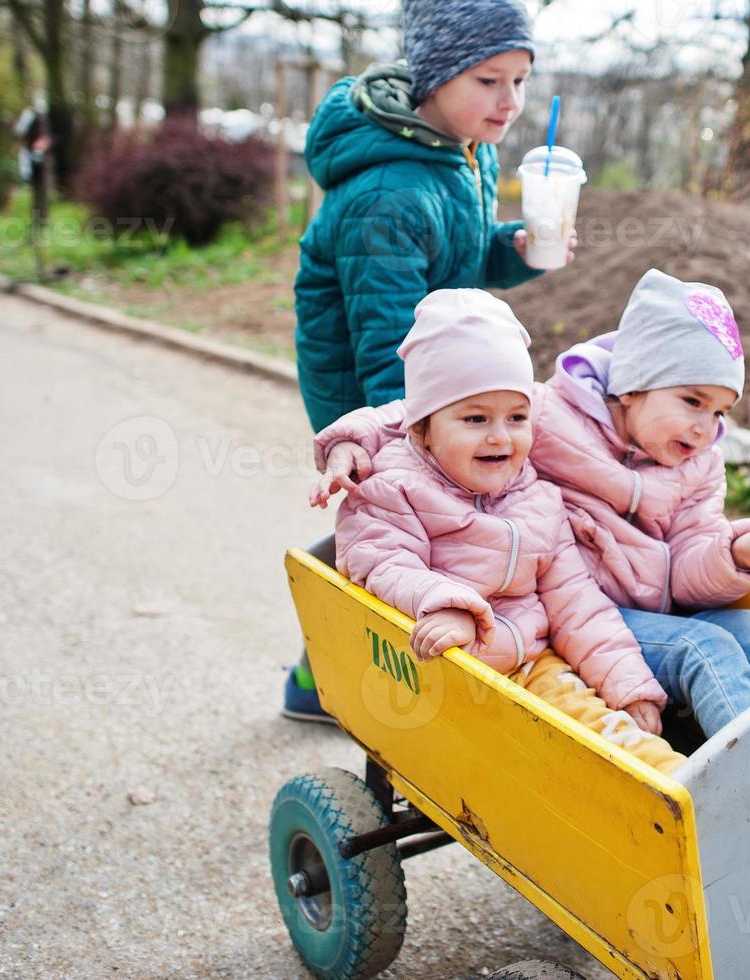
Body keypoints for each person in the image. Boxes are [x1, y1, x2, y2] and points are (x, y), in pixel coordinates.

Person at [314, 270, 750, 741]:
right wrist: (352, 441)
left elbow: (689, 561)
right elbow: (433, 409)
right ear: (632, 386)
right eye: (691, 401)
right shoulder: (546, 413)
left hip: (656, 612)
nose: (705, 426)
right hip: (581, 608)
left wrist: (733, 555)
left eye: (720, 411)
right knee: (705, 648)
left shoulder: (701, 465)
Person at [285, 0, 575, 720]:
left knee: (431, 526)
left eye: (520, 80)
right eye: (487, 80)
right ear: (435, 80)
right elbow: (385, 340)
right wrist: (392, 439)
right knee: (397, 524)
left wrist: (512, 249)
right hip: (376, 388)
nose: (509, 101)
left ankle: (347, 664)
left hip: (438, 378)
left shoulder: (459, 154)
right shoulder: (389, 193)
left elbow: (461, 261)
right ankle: (328, 672)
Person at [335, 289, 685, 773]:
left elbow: (576, 602)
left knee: (620, 746)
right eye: (475, 418)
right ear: (422, 430)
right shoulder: (394, 487)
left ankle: (690, 796)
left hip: (534, 665)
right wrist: (451, 606)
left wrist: (626, 683)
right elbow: (380, 562)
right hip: (444, 673)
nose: (500, 436)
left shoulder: (537, 499)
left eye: (516, 418)